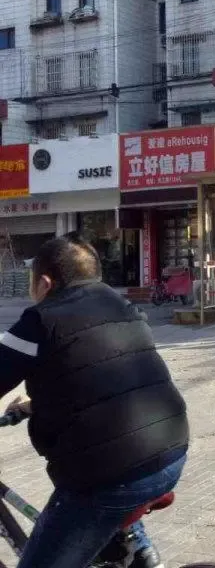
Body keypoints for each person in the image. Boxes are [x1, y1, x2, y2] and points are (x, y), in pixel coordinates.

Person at [0, 232, 189, 567]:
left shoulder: (41, 319)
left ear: (44, 282)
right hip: (171, 452)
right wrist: (32, 405)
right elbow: (96, 379)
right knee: (113, 494)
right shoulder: (122, 306)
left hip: (111, 476)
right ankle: (138, 548)